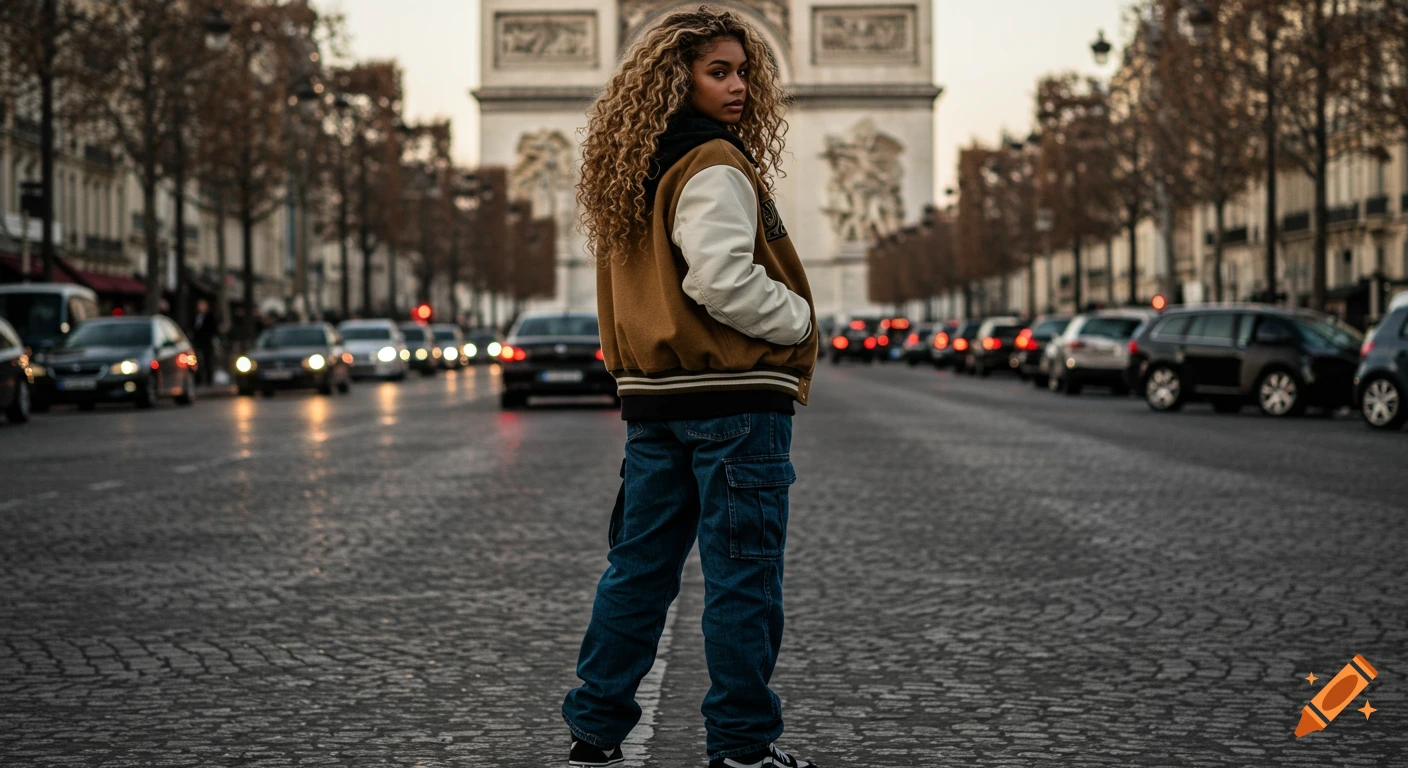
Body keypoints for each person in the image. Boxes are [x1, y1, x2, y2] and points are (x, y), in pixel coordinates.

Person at [561, 7, 819, 768]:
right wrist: (800, 317)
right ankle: (742, 747)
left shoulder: (633, 169)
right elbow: (719, 280)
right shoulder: (711, 162)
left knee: (637, 572)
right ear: (678, 78)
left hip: (656, 404)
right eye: (720, 71)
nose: (741, 85)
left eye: (744, 70)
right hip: (735, 401)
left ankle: (595, 729)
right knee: (744, 582)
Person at [190, 299, 218, 386]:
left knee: (208, 361)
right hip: (198, 343)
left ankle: (209, 381)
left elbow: (213, 330)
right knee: (196, 361)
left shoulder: (210, 317)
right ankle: (198, 380)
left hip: (207, 343)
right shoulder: (196, 317)